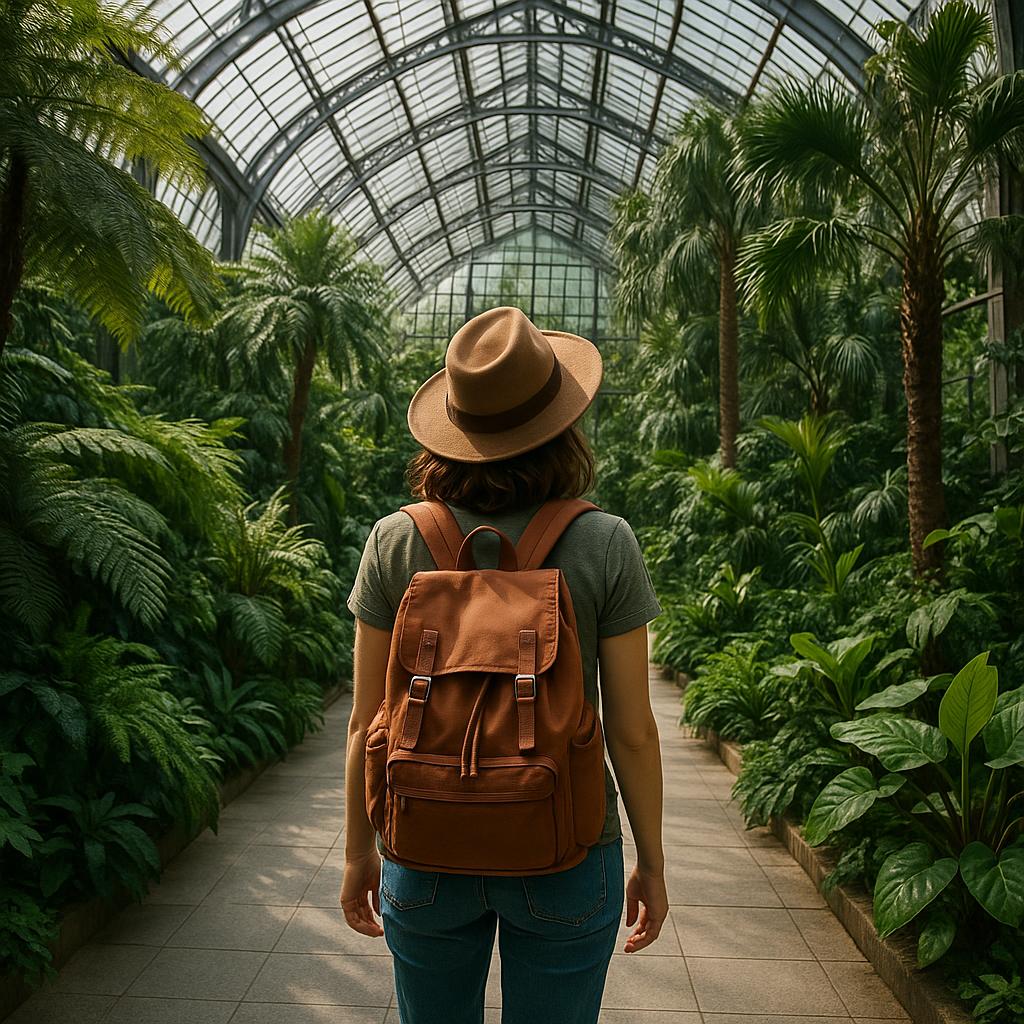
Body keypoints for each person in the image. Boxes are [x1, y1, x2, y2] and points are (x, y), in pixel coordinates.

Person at [340, 305, 667, 1024]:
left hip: (423, 842)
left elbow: (367, 719)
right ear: (561, 424)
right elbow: (633, 731)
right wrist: (652, 861)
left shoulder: (395, 541)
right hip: (568, 848)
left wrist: (358, 851)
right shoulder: (605, 542)